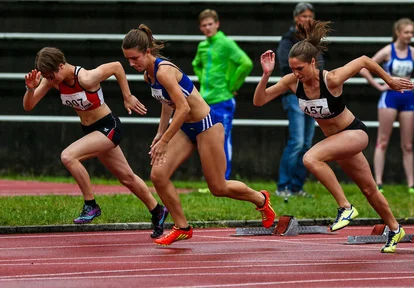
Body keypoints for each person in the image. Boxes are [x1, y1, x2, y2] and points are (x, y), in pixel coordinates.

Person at [253, 20, 414, 253]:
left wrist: (388, 80)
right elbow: (259, 101)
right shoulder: (291, 82)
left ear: (313, 62)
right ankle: (395, 228)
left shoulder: (332, 79)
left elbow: (363, 61)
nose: (296, 74)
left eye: (300, 68)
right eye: (292, 69)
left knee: (310, 158)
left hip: (354, 133)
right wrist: (266, 74)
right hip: (336, 142)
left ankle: (345, 207)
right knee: (369, 189)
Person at [122, 24, 275, 246]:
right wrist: (160, 133)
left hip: (207, 125)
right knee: (158, 175)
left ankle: (261, 200)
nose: (131, 64)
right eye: (128, 60)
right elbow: (167, 103)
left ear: (147, 52)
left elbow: (182, 108)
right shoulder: (148, 75)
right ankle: (182, 227)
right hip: (184, 127)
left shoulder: (164, 71)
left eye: (134, 58)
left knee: (218, 187)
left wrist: (165, 140)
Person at [23, 47, 168, 238]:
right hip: (92, 131)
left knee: (68, 156)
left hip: (108, 127)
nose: (50, 81)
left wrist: (127, 96)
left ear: (60, 66)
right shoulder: (52, 82)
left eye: (51, 76)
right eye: (47, 77)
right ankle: (157, 210)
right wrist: (31, 89)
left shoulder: (85, 78)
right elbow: (28, 105)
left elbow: (117, 67)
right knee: (127, 177)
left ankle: (91, 205)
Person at [359, 18, 414, 194]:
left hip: (408, 99)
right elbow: (363, 68)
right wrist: (379, 86)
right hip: (389, 98)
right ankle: (379, 182)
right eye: (406, 32)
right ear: (398, 32)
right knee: (382, 141)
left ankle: (411, 184)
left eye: (412, 32)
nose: (410, 36)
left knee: (408, 145)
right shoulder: (387, 51)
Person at [191, 9, 253, 180]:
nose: (207, 28)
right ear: (200, 28)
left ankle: (223, 179)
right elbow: (196, 63)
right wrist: (204, 80)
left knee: (223, 139)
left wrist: (233, 85)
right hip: (205, 100)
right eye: (204, 25)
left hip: (223, 99)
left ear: (217, 24)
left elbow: (246, 63)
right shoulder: (202, 46)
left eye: (210, 24)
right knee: (206, 140)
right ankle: (213, 178)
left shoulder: (226, 43)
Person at [275, 2, 322, 197]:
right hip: (294, 96)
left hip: (312, 97)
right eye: (304, 16)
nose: (307, 20)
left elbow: (319, 67)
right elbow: (287, 69)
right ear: (296, 18)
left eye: (310, 16)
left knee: (307, 143)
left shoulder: (313, 42)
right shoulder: (287, 41)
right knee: (296, 141)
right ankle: (283, 186)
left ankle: (296, 186)